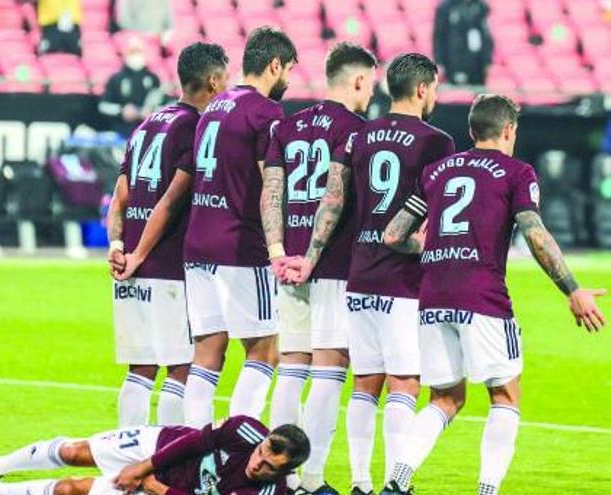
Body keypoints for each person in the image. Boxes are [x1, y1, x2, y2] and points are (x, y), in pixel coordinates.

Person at [379, 94, 606, 495]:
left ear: (471, 131)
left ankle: (396, 481)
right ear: (508, 130)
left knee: (445, 399)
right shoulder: (516, 172)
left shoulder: (437, 171)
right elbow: (535, 233)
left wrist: (429, 248)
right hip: (482, 295)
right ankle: (486, 490)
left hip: (432, 296)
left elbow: (393, 235)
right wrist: (572, 289)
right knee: (504, 396)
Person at [284, 53, 455, 495]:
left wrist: (311, 255)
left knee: (364, 382)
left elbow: (333, 200)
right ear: (421, 89)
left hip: (358, 273)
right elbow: (434, 218)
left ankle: (360, 481)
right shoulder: (436, 142)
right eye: (433, 88)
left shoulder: (360, 136)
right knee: (404, 382)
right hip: (402, 277)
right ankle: (394, 483)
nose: (434, 96)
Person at [120, 27, 296, 429]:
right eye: (287, 69)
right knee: (264, 350)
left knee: (206, 356)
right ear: (273, 65)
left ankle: (194, 452)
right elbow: (269, 186)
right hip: (240, 247)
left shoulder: (214, 108)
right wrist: (279, 247)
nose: (287, 78)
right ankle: (236, 447)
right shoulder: (266, 112)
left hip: (197, 246)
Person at [262, 41, 377, 495]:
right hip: (331, 264)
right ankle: (310, 478)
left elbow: (271, 191)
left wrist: (277, 251)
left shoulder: (288, 126)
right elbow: (337, 196)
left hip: (287, 261)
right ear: (358, 80)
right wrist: (312, 256)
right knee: (331, 367)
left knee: (291, 366)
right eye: (370, 84)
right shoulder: (355, 129)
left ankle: (278, 475)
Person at [107, 42, 229, 427]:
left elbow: (120, 195)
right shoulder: (196, 127)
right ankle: (165, 459)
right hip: (167, 265)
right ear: (212, 81)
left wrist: (117, 245)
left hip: (130, 264)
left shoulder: (147, 124)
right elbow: (171, 201)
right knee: (182, 367)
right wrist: (141, 254)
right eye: (225, 79)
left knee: (139, 370)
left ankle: (127, 454)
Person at [0, 416, 310, 495]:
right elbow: (194, 442)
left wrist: (153, 485)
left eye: (267, 468)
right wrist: (143, 466)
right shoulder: (246, 431)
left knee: (70, 491)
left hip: (165, 491)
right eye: (261, 454)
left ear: (284, 471)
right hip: (159, 446)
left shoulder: (264, 494)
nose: (256, 464)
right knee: (74, 451)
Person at [98, 37, 164, 137]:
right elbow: (103, 106)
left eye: (138, 52)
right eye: (132, 52)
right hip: (122, 130)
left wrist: (152, 111)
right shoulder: (116, 79)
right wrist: (122, 111)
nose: (136, 56)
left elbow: (163, 103)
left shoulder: (153, 78)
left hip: (149, 129)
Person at [433, 0, 493, 86]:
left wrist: (487, 60)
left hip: (477, 64)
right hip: (454, 61)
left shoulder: (481, 6)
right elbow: (439, 37)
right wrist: (439, 61)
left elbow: (487, 36)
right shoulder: (445, 8)